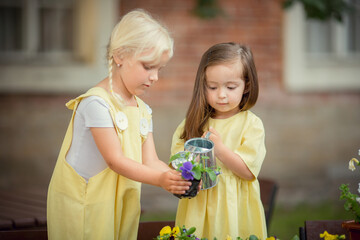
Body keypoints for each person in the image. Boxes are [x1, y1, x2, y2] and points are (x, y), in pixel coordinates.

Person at [47, 9, 191, 240]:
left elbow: (150, 160)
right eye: (147, 66)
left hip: (120, 200)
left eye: (159, 69)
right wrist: (160, 180)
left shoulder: (142, 110)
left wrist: (176, 178)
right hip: (86, 204)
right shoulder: (97, 103)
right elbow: (115, 161)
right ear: (120, 56)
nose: (154, 77)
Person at [171, 42, 267, 239]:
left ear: (247, 86)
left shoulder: (251, 124)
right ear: (202, 85)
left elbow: (248, 172)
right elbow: (176, 163)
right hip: (197, 207)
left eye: (231, 87)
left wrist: (220, 149)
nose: (221, 94)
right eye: (212, 87)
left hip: (235, 208)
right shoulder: (191, 124)